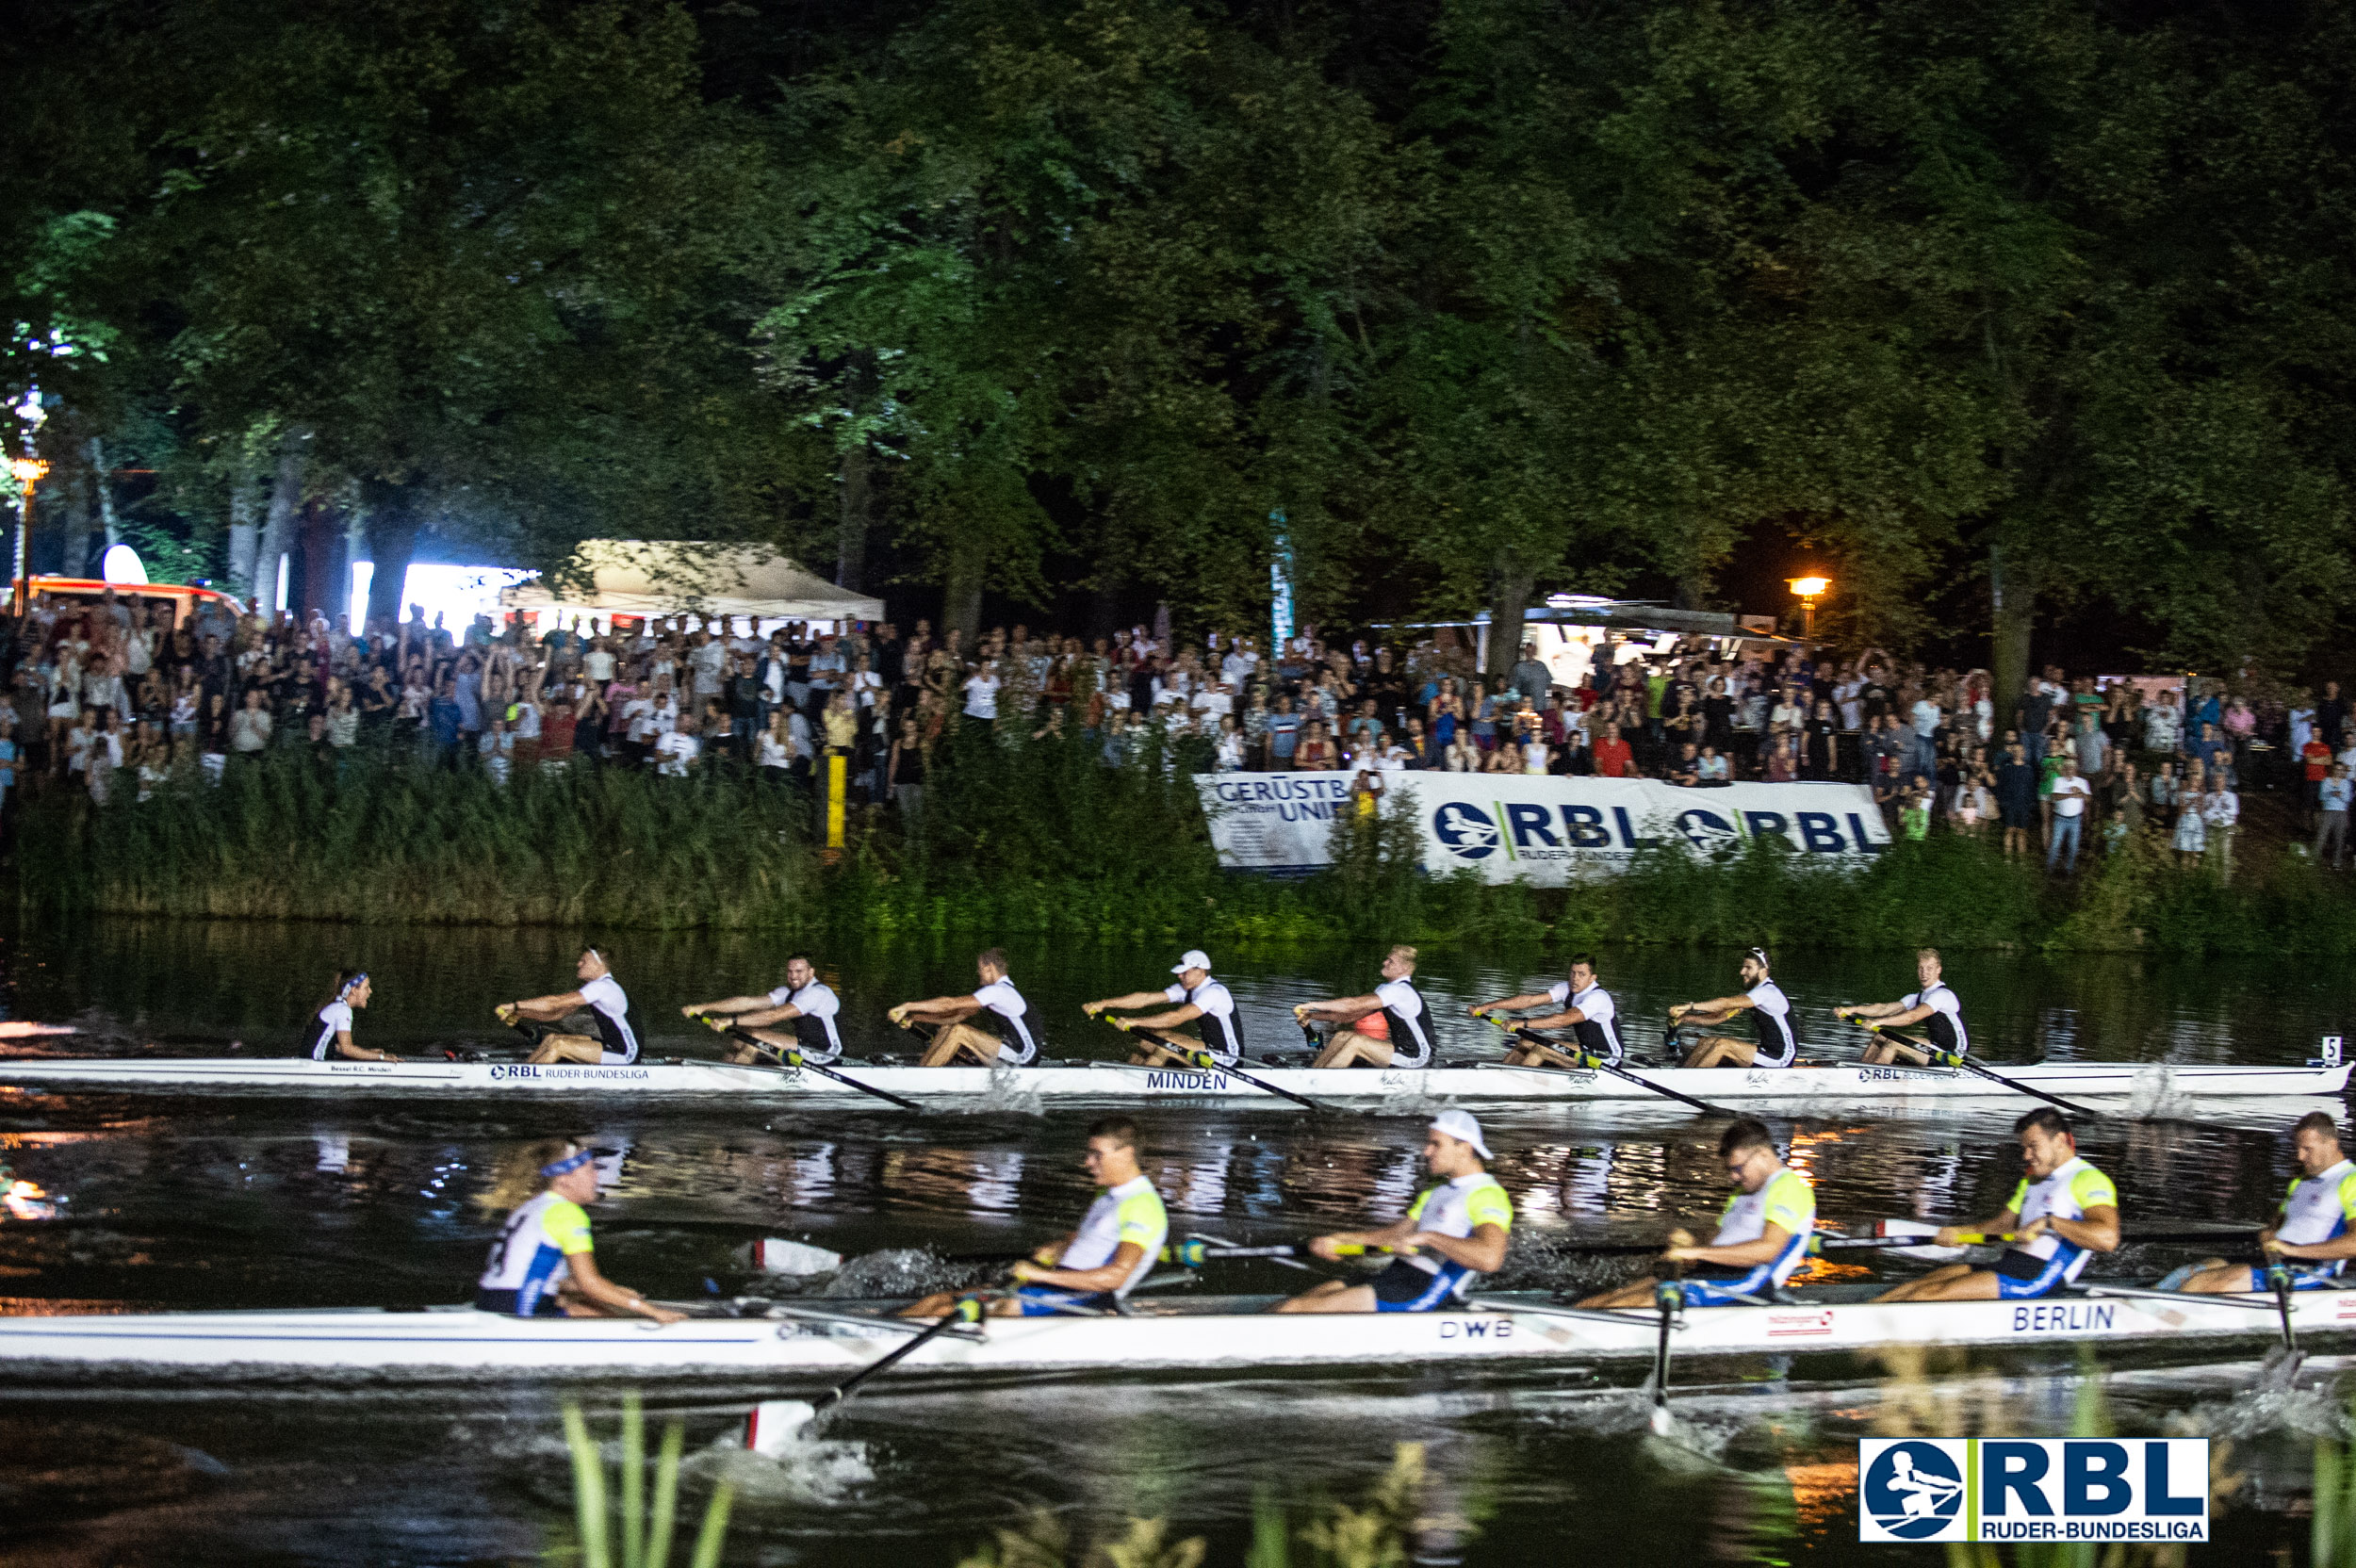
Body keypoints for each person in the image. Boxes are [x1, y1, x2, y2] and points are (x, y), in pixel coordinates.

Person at [901, 1117, 1168, 1318]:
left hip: (1088, 1299)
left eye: (1097, 1154)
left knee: (952, 1309)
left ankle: (876, 1343)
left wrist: (1040, 1275)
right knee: (940, 1299)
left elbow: (1116, 1277)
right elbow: (1088, 1238)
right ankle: (869, 1334)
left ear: (1127, 1154)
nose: (1087, 1162)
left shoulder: (1142, 1205)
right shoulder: (1109, 1193)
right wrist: (1057, 1248)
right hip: (1059, 1287)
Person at [1272, 1111, 1511, 1314]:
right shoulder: (1437, 1191)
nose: (1426, 1152)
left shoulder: (1487, 1194)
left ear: (1464, 1149)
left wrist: (1428, 1237)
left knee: (1295, 1308)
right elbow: (1395, 1236)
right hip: (1396, 1275)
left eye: (1436, 1144)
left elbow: (1490, 1259)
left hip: (1425, 1290)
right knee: (1287, 1306)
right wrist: (1339, 1240)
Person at [1874, 1108, 2119, 1302]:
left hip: (2038, 1277)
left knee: (1924, 1296)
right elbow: (2001, 1227)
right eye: (2024, 1148)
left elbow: (2107, 1239)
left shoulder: (2088, 1179)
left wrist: (2049, 1221)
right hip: (2009, 1263)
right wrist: (1961, 1233)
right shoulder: (2033, 1179)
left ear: (2060, 1140)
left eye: (2033, 1146)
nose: (2026, 1155)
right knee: (1911, 1288)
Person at [1579, 1119, 1815, 1308]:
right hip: (1716, 1273)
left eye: (1738, 1168)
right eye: (1730, 1170)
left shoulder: (1789, 1189)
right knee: (1608, 1298)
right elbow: (1716, 1238)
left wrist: (1692, 1250)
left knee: (1630, 1304)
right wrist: (1691, 1241)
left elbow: (1768, 1251)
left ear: (1763, 1154)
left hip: (1748, 1282)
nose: (1733, 1176)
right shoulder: (1743, 1191)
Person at [472, 1138, 683, 1322]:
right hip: (519, 1309)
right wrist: (651, 1311)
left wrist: (615, 1292)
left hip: (489, 1300)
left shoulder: (530, 1207)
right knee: (613, 1322)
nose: (597, 1178)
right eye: (591, 1170)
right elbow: (588, 1283)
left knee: (594, 1309)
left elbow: (544, 1276)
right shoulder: (567, 1213)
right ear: (564, 1180)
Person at [2178, 1113, 2356, 1295]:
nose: (2300, 1156)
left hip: (2312, 1271)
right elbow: (2274, 1226)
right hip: (2275, 1260)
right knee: (2185, 1274)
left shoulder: (2351, 1180)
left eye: (2307, 1149)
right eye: (2298, 1148)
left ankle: (2166, 1319)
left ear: (2331, 1144)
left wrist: (2292, 1250)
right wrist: (2268, 1233)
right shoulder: (2300, 1182)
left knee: (2200, 1283)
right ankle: (2159, 1313)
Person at [1082, 949, 1245, 1069]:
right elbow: (1145, 999)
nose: (1179, 976)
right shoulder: (1187, 989)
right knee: (1150, 1039)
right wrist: (1103, 1003)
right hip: (1207, 1048)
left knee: (1166, 1045)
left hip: (1227, 1058)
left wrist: (1133, 1021)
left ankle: (1144, 1084)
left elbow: (1176, 1017)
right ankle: (1130, 1071)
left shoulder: (1214, 992)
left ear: (1200, 971)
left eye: (1184, 973)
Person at [892, 948, 1041, 1067]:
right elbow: (955, 1016)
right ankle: (922, 1070)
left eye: (980, 968)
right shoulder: (997, 992)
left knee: (960, 1032)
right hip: (1011, 1053)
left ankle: (922, 1078)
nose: (978, 972)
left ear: (990, 968)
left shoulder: (998, 991)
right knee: (949, 1028)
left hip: (1023, 1058)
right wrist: (916, 1017)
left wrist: (908, 1006)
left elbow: (948, 1004)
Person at [683, 955, 843, 1066]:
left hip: (825, 1055)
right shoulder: (788, 992)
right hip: (803, 1046)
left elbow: (772, 1017)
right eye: (790, 971)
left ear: (811, 972)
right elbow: (746, 1003)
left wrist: (730, 1020)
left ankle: (734, 1080)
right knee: (744, 1033)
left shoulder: (819, 993)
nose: (793, 976)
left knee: (756, 1037)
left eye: (799, 971)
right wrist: (702, 1007)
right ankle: (724, 1067)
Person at [1293, 944, 1435, 1069]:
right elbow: (1348, 1016)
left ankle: (1321, 1083)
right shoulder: (1387, 989)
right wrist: (1312, 1015)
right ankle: (1315, 1073)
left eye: (1391, 961)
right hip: (1403, 1051)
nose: (1385, 962)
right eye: (1387, 959)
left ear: (1404, 968)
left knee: (1357, 1042)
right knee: (1342, 1036)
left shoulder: (1400, 991)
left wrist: (1312, 1004)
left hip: (1418, 1058)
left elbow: (1351, 1005)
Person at [495, 948, 642, 1066]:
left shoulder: (603, 987)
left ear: (599, 965)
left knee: (560, 1045)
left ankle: (527, 1081)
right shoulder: (596, 988)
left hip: (626, 1055)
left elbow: (554, 1002)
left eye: (584, 961)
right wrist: (522, 1013)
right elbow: (557, 1014)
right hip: (611, 1046)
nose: (578, 964)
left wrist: (515, 1005)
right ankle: (525, 1070)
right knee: (551, 1039)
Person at [1473, 955, 1624, 1069]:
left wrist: (1523, 1023)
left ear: (1592, 978)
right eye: (1573, 973)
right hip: (1585, 1049)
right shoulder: (1567, 988)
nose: (1575, 979)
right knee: (1526, 1042)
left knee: (1542, 1048)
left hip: (1606, 1058)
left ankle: (1518, 1086)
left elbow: (1562, 1020)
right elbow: (1529, 1001)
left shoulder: (1598, 998)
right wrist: (1487, 1006)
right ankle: (1502, 1075)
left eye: (1581, 974)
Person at [1836, 948, 1968, 1067]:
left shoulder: (1942, 995)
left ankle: (1871, 1080)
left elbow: (1912, 1017)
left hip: (1952, 1054)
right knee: (1880, 1037)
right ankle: (1860, 1070)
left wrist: (1878, 1022)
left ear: (1938, 970)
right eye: (1920, 968)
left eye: (1929, 968)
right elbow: (1884, 1009)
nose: (1924, 973)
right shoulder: (1917, 997)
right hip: (1935, 1047)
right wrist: (1851, 1010)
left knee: (1893, 1043)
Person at [1670, 947, 1798, 1069]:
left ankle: (1690, 1082)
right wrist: (1686, 1018)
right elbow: (1718, 1017)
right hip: (1766, 1052)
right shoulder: (1752, 996)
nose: (1742, 972)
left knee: (1722, 1045)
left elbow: (1725, 1003)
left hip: (1781, 1059)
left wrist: (1689, 1006)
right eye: (1743, 967)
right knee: (1707, 1041)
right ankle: (1683, 1074)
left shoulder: (1768, 993)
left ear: (1763, 971)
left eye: (1748, 968)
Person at [305, 970, 401, 1063]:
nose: (370, 991)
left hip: (312, 1061)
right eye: (366, 988)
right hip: (317, 1064)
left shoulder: (337, 1006)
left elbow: (334, 1046)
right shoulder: (343, 1010)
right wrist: (381, 1057)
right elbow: (347, 1049)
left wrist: (368, 1053)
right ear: (354, 990)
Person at [2046, 757, 2091, 873]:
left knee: (2073, 846)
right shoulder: (2059, 780)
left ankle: (2069, 870)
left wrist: (2079, 792)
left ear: (2075, 769)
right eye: (2067, 767)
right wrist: (2070, 794)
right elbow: (2054, 797)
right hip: (2060, 819)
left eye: (2072, 768)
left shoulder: (2082, 782)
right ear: (2064, 769)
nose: (2069, 770)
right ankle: (2049, 869)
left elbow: (2088, 799)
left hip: (2076, 820)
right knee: (2055, 845)